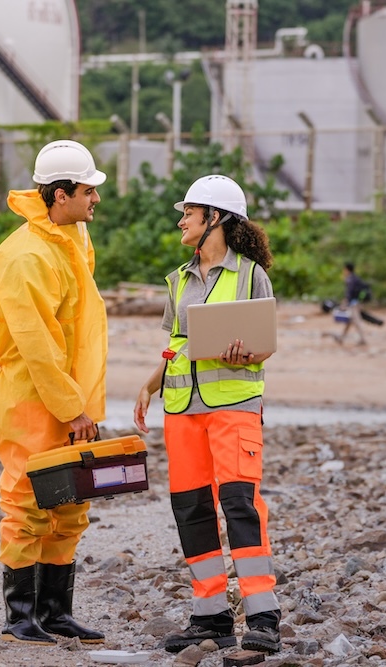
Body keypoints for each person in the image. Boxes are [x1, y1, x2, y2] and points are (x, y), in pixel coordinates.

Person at [133, 174, 283, 654]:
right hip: (182, 412)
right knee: (192, 511)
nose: (181, 221)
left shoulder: (249, 274)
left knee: (240, 505)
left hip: (234, 410)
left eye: (189, 213)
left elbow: (263, 345)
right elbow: (177, 344)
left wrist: (248, 352)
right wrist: (149, 384)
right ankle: (211, 617)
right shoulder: (179, 279)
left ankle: (262, 617)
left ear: (213, 218)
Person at [0, 139, 109, 646]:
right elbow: (37, 347)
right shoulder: (25, 256)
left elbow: (76, 332)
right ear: (60, 194)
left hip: (72, 399)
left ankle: (55, 613)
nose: (95, 198)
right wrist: (73, 406)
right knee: (26, 503)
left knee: (71, 502)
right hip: (32, 401)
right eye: (88, 189)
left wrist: (83, 406)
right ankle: (19, 617)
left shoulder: (70, 237)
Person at [333, 261, 370, 346]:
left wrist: (345, 303)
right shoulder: (356, 278)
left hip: (354, 303)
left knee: (356, 321)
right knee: (349, 321)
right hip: (357, 302)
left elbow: (349, 293)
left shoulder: (350, 279)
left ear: (346, 269)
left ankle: (363, 339)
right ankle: (341, 338)